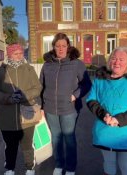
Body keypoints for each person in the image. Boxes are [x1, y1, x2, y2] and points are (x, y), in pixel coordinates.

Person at [86, 47, 127, 175]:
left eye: (121, 59)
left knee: (126, 166)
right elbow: (91, 99)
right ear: (109, 60)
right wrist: (103, 115)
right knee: (109, 164)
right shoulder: (101, 78)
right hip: (106, 131)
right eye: (114, 58)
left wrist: (119, 119)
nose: (117, 62)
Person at [40, 33, 92, 175]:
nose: (61, 49)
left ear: (68, 46)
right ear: (54, 47)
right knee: (56, 137)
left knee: (69, 138)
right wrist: (41, 106)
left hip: (69, 108)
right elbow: (41, 86)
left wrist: (75, 95)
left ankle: (70, 168)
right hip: (50, 108)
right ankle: (59, 164)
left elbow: (87, 84)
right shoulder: (47, 65)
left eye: (64, 46)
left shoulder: (76, 63)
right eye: (58, 46)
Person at [0, 43, 42, 175]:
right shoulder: (1, 71)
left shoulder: (29, 69)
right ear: (9, 55)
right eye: (16, 53)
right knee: (10, 146)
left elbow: (37, 88)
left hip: (27, 115)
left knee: (27, 145)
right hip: (7, 116)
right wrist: (8, 98)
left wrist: (24, 96)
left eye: (21, 53)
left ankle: (30, 167)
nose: (19, 56)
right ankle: (10, 168)